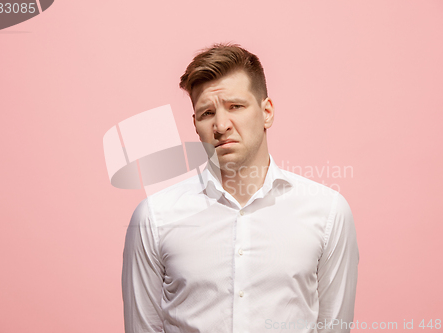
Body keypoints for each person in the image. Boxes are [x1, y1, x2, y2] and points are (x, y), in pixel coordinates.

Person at [122, 43, 359, 333]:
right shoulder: (154, 217)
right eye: (207, 113)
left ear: (267, 112)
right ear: (195, 124)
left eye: (236, 106)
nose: (221, 125)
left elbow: (334, 327)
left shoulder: (328, 212)